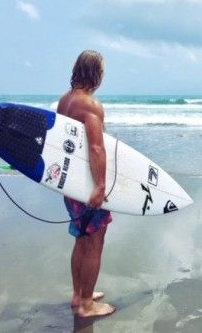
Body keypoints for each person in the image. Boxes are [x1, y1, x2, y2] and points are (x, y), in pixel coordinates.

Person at [57, 50, 116, 317]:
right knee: (94, 241)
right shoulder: (91, 105)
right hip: (87, 184)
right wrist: (101, 186)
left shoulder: (65, 100)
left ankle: (79, 294)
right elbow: (96, 147)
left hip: (71, 184)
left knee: (82, 238)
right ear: (96, 73)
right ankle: (87, 306)